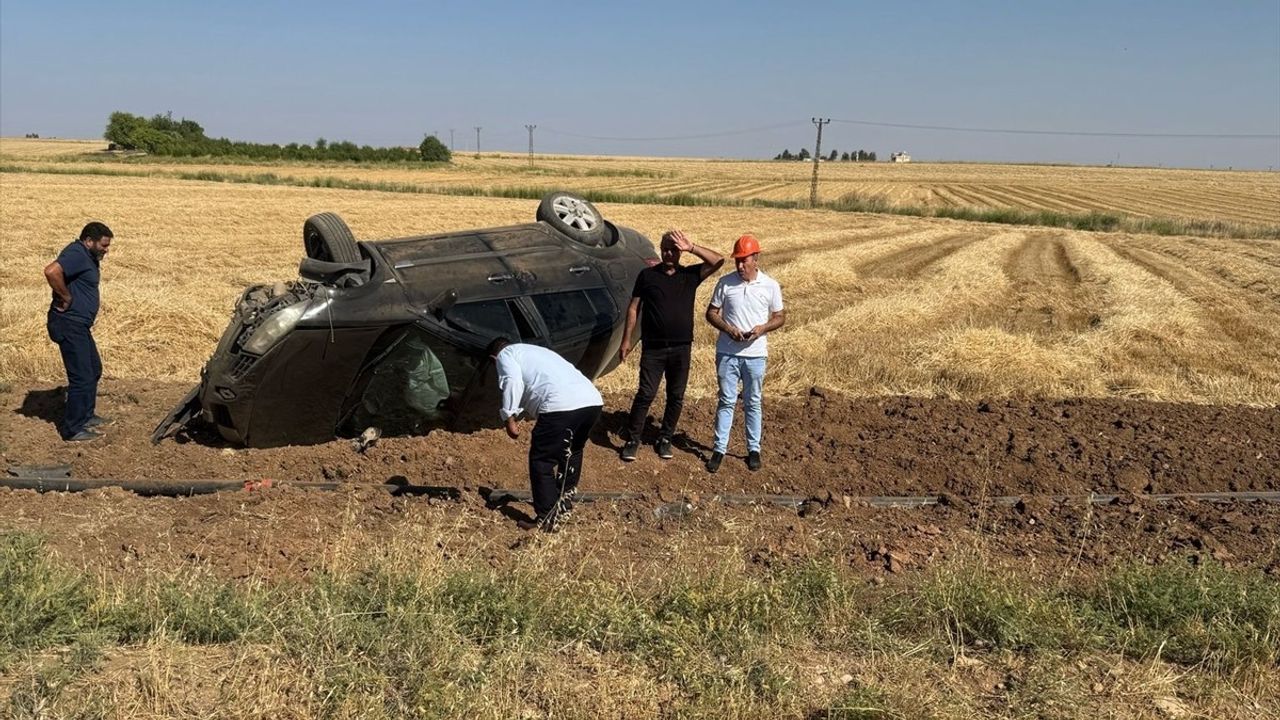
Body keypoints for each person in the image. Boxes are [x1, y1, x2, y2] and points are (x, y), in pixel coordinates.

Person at [619, 229, 724, 461]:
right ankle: (632, 439)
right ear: (660, 249)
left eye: (674, 250)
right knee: (646, 393)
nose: (668, 253)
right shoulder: (647, 275)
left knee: (676, 396)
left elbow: (718, 261)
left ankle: (665, 437)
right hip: (653, 348)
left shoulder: (689, 275)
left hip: (681, 348)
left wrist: (692, 247)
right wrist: (626, 340)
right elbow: (634, 308)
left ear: (680, 252)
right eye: (665, 249)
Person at [490, 338, 603, 531]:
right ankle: (563, 506)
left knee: (542, 460)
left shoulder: (505, 355)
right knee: (572, 452)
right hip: (592, 401)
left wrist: (509, 416)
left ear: (494, 357)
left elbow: (512, 381)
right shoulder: (536, 351)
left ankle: (547, 518)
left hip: (561, 406)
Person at [704, 234, 785, 473]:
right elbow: (711, 313)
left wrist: (762, 329)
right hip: (727, 353)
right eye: (737, 261)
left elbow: (780, 317)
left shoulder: (770, 285)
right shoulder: (725, 283)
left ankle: (753, 449)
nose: (740, 265)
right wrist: (728, 329)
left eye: (744, 260)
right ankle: (719, 449)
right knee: (726, 401)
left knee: (753, 402)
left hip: (756, 355)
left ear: (756, 258)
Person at [43, 222, 114, 442]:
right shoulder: (77, 253)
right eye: (103, 245)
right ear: (89, 240)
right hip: (69, 324)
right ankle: (72, 429)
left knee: (93, 369)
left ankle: (85, 416)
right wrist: (66, 297)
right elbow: (51, 271)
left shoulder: (86, 256)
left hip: (79, 325)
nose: (106, 250)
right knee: (81, 376)